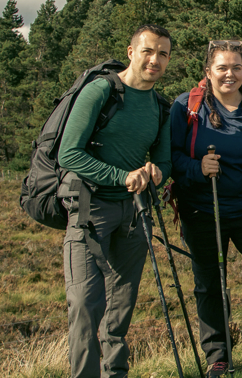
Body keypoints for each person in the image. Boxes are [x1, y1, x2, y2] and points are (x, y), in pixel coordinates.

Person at [58, 24, 172, 378]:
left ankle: (115, 372)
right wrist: (120, 177)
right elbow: (69, 154)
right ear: (131, 52)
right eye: (148, 51)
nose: (155, 60)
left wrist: (155, 172)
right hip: (90, 210)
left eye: (163, 54)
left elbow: (164, 161)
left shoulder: (161, 106)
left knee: (120, 307)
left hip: (135, 214)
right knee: (84, 304)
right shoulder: (100, 92)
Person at [169, 40, 242, 378]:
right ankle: (218, 357)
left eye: (236, 67)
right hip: (203, 209)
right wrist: (197, 168)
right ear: (207, 72)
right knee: (209, 282)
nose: (230, 74)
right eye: (222, 67)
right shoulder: (186, 108)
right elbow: (171, 158)